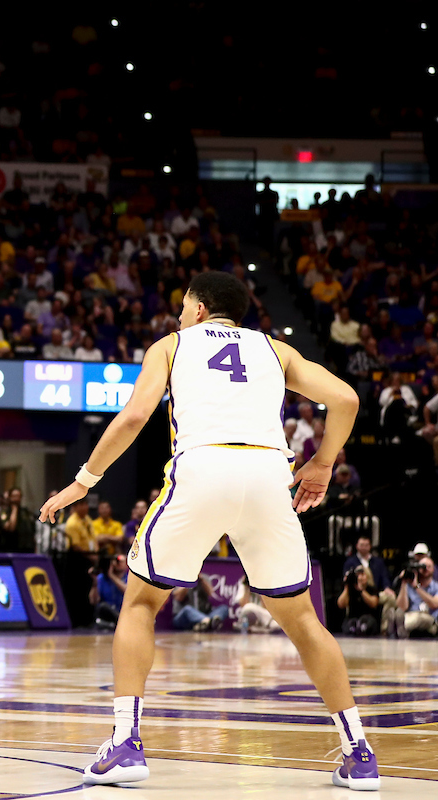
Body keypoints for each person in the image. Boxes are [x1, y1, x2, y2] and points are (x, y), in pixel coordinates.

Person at [40, 271, 378, 789]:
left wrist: (82, 482)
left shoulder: (171, 345)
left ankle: (126, 744)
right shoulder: (276, 350)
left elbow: (134, 416)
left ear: (198, 309)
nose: (179, 316)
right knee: (304, 621)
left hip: (202, 468)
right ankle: (359, 753)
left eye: (182, 307)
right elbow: (347, 400)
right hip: (269, 475)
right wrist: (324, 462)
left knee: (140, 604)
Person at [394, 555, 438, 637]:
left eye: (429, 566)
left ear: (433, 569)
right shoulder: (409, 586)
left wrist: (417, 587)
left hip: (430, 619)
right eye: (423, 566)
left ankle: (398, 627)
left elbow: (434, 604)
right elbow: (402, 607)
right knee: (399, 613)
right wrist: (404, 582)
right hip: (410, 615)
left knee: (418, 617)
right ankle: (399, 627)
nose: (425, 569)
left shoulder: (436, 586)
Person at [337, 566, 380, 637]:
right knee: (348, 624)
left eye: (362, 575)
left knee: (368, 621)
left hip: (369, 618)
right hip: (353, 618)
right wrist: (347, 586)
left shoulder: (372, 589)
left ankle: (362, 628)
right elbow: (340, 604)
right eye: (357, 575)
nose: (359, 578)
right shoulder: (350, 590)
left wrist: (361, 590)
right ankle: (354, 628)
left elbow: (373, 603)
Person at [90, 554, 128, 629]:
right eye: (115, 561)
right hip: (107, 617)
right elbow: (93, 601)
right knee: (103, 606)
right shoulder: (101, 578)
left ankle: (120, 620)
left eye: (120, 561)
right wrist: (95, 582)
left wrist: (111, 576)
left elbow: (127, 591)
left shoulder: (130, 577)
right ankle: (118, 621)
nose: (117, 563)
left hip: (124, 613)